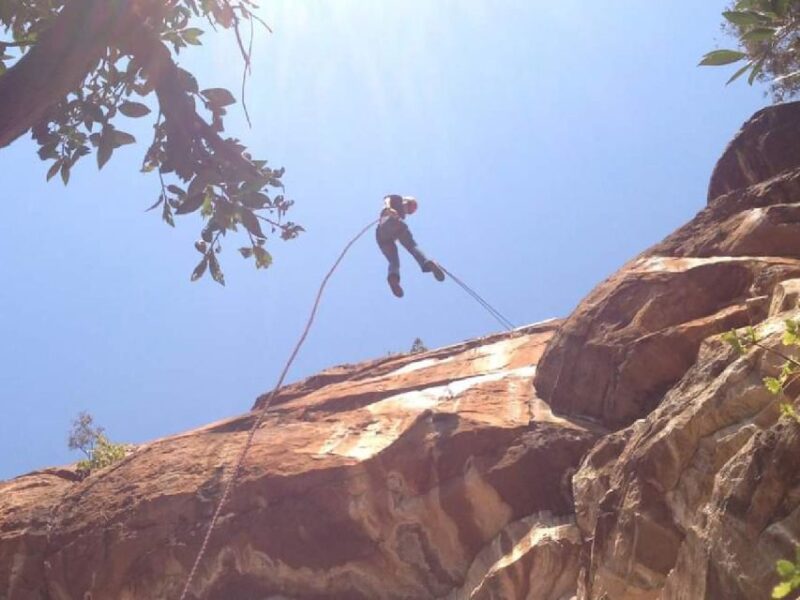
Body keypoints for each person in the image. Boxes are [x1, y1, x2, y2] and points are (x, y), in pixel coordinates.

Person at [375, 194, 444, 297]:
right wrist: (388, 208)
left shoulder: (402, 215)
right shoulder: (398, 200)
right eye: (410, 208)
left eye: (410, 212)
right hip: (391, 222)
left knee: (394, 261)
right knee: (411, 246)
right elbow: (387, 198)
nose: (408, 211)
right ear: (406, 201)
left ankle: (393, 278)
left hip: (382, 235)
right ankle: (427, 262)